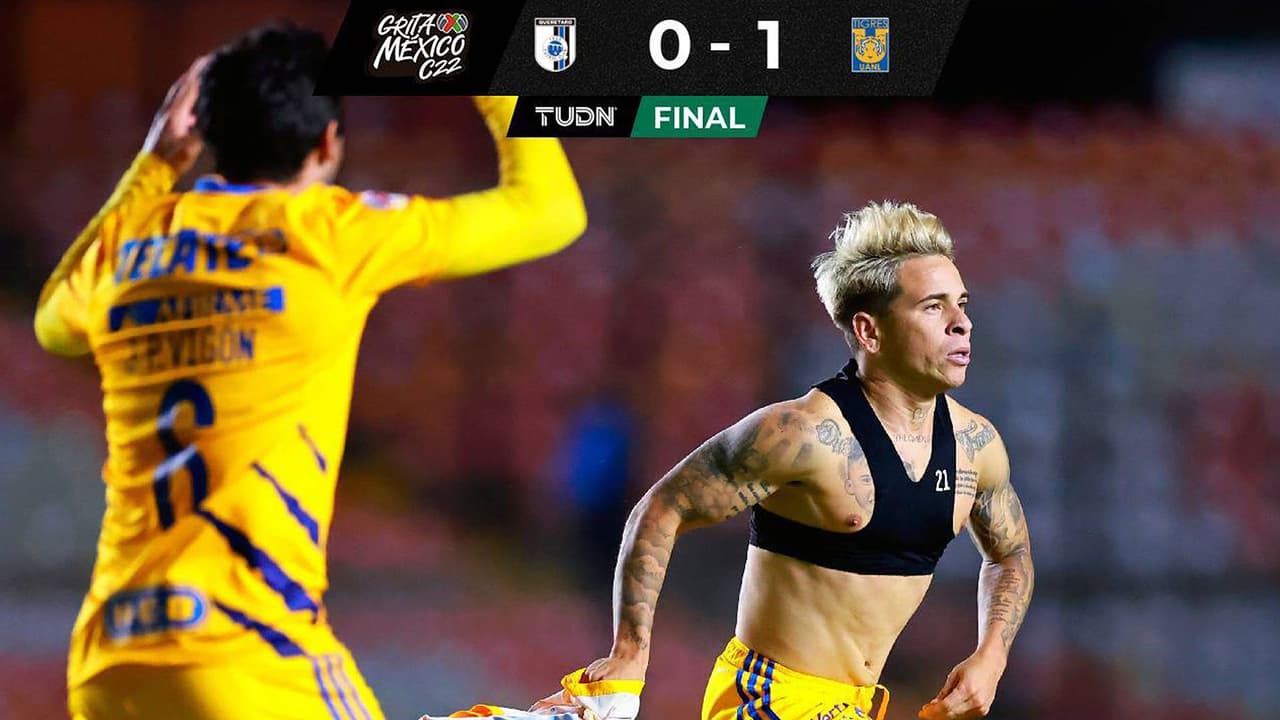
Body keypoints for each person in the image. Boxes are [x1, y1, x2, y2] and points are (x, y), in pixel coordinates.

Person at [33, 23, 587, 720]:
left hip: (109, 660)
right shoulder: (329, 232)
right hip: (245, 648)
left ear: (205, 135)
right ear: (326, 144)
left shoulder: (135, 240)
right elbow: (551, 212)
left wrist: (154, 165)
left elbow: (54, 322)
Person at [581, 202, 1035, 720]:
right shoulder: (803, 434)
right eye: (934, 307)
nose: (962, 324)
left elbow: (1010, 555)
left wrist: (992, 654)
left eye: (962, 304)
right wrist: (629, 654)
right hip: (765, 697)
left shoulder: (976, 446)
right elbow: (663, 508)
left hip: (853, 705)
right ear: (869, 332)